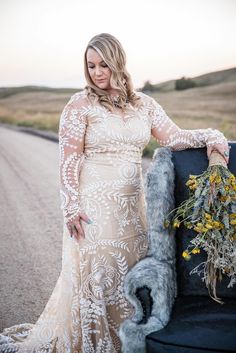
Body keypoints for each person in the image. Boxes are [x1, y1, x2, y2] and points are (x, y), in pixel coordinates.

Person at [0, 33, 230, 353]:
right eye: (91, 65)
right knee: (99, 276)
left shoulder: (144, 104)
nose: (97, 72)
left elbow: (174, 138)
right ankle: (95, 344)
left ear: (118, 62)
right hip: (94, 207)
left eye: (103, 64)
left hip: (132, 210)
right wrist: (71, 207)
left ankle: (128, 342)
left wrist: (210, 135)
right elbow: (69, 160)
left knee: (129, 279)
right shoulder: (80, 104)